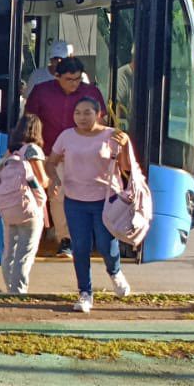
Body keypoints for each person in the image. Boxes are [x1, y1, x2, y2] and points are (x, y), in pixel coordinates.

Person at [48, 98, 135, 313]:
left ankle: (115, 272)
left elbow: (125, 167)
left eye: (87, 113)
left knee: (106, 243)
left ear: (98, 114)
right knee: (80, 247)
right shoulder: (66, 136)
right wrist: (55, 180)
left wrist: (124, 146)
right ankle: (85, 293)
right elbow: (51, 161)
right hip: (75, 200)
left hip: (105, 200)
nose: (81, 117)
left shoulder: (112, 135)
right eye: (77, 113)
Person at [23, 55, 106, 259]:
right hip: (52, 155)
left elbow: (100, 123)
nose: (74, 84)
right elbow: (30, 121)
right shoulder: (42, 92)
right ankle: (65, 240)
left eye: (77, 79)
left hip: (85, 154)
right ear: (57, 76)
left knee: (85, 195)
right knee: (57, 196)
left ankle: (86, 237)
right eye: (69, 79)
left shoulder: (91, 92)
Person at [0, 114, 50, 295]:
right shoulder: (32, 150)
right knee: (24, 255)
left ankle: (10, 290)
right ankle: (18, 293)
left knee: (9, 254)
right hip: (29, 211)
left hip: (8, 210)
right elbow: (42, 180)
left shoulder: (10, 152)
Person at [25, 40, 90, 93]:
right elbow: (29, 101)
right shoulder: (37, 76)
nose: (59, 61)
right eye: (56, 58)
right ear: (50, 59)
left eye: (62, 59)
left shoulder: (81, 77)